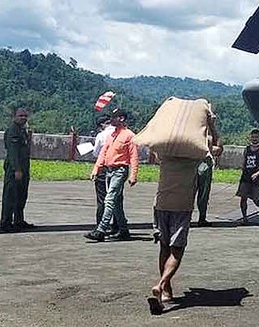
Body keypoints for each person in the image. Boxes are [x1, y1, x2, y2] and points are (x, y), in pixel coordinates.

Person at [147, 153, 201, 315]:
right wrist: (211, 126)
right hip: (182, 206)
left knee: (164, 247)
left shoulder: (164, 153)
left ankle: (167, 293)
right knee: (177, 250)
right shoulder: (194, 155)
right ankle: (162, 285)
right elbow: (218, 148)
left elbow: (153, 146)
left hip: (161, 204)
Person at [85, 108, 138, 242]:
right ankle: (124, 231)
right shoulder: (111, 135)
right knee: (116, 203)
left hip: (120, 170)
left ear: (121, 119)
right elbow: (103, 153)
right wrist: (96, 169)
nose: (111, 120)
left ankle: (101, 230)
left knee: (109, 199)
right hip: (109, 170)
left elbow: (133, 157)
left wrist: (133, 175)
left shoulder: (129, 135)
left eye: (114, 118)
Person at [0, 107, 33, 232]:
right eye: (21, 116)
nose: (23, 118)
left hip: (23, 168)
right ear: (14, 117)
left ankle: (19, 220)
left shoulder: (22, 131)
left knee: (21, 195)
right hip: (14, 169)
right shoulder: (13, 131)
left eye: (25, 116)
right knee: (10, 196)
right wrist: (17, 169)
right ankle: (6, 222)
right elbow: (13, 152)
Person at [194, 107, 224, 226]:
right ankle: (185, 215)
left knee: (204, 194)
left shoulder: (211, 131)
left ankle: (202, 217)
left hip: (205, 163)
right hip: (195, 162)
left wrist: (212, 125)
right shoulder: (196, 129)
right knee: (190, 193)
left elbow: (219, 148)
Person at [92, 114, 117, 234]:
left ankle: (100, 226)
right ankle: (117, 225)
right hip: (118, 168)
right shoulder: (121, 133)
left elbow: (96, 153)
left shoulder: (101, 135)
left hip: (103, 167)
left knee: (102, 198)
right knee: (116, 198)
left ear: (101, 125)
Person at [236, 129, 259, 224]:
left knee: (256, 199)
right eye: (253, 137)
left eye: (256, 137)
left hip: (257, 177)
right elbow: (244, 161)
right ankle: (245, 218)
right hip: (245, 177)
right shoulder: (247, 148)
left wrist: (257, 173)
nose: (254, 139)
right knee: (243, 197)